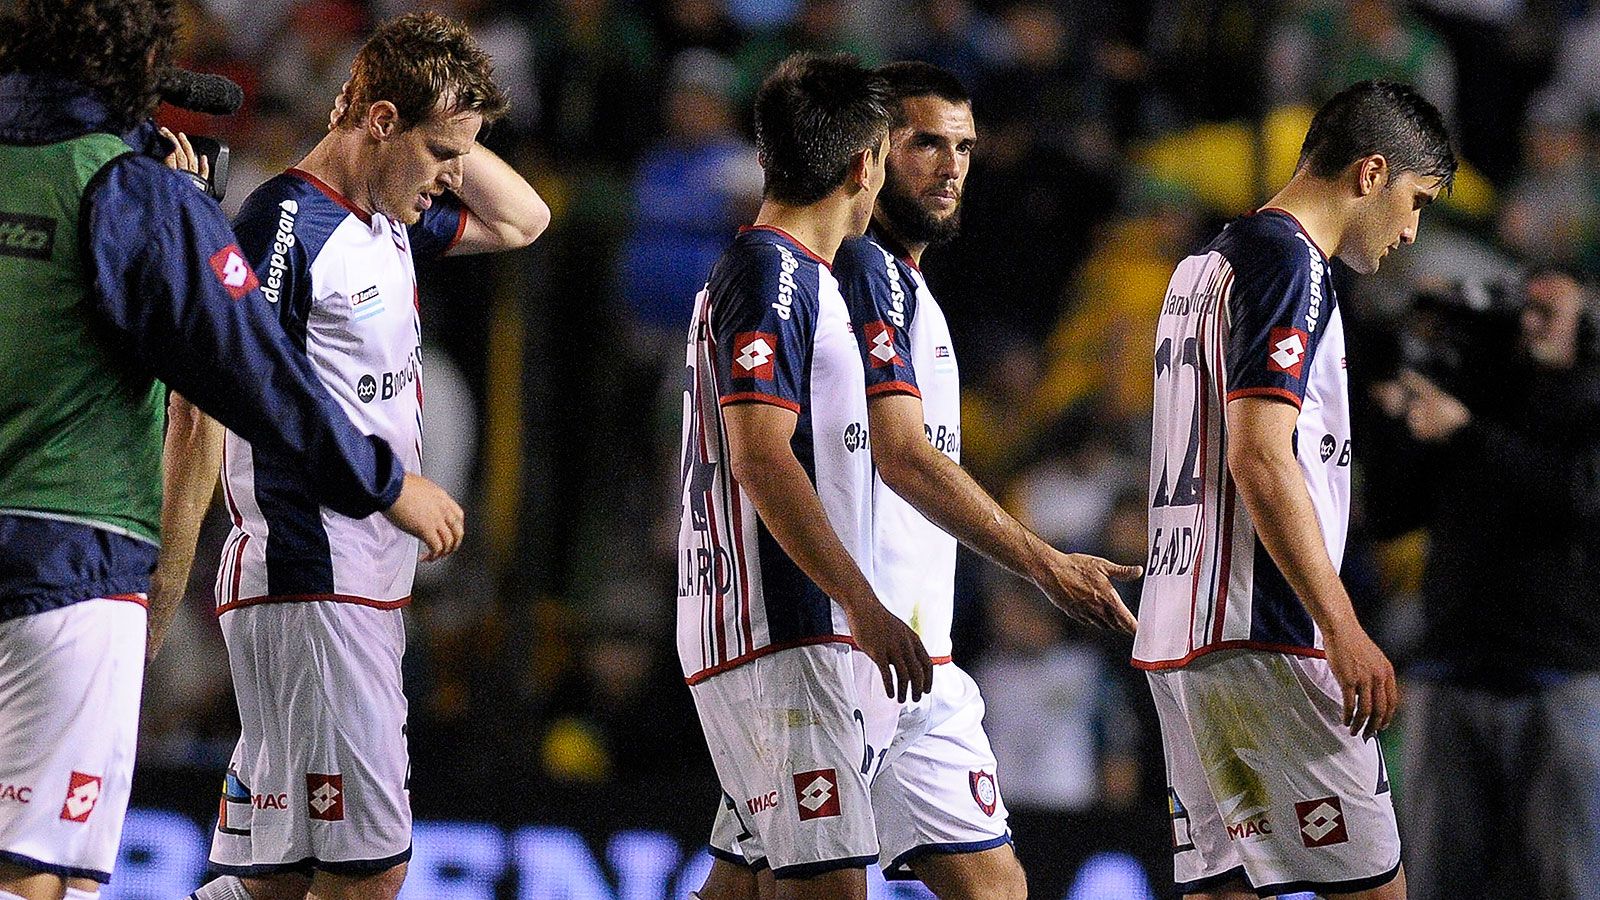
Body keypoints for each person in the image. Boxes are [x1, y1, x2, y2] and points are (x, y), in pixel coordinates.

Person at [0, 1, 464, 899]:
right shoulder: (130, 191)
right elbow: (252, 371)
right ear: (140, 61)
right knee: (39, 874)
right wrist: (384, 482)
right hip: (69, 560)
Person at [697, 60, 1140, 900]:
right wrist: (1044, 563)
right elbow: (896, 456)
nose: (950, 167)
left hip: (911, 660)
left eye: (964, 148)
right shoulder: (856, 273)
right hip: (845, 646)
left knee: (987, 890)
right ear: (869, 154)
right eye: (925, 143)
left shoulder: (903, 285)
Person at [188, 13, 549, 900]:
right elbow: (257, 387)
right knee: (370, 870)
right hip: (313, 578)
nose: (451, 176)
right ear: (382, 122)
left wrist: (449, 124)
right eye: (440, 152)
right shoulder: (285, 220)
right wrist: (390, 488)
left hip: (346, 588)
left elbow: (525, 219)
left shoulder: (387, 219)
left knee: (274, 881)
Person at [1133, 80, 1455, 900]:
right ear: (1371, 173)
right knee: (1375, 890)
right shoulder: (1290, 262)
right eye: (1417, 202)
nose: (1411, 232)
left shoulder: (1202, 265)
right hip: (1264, 630)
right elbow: (1261, 456)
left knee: (1223, 890)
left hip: (1182, 631)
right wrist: (1342, 626)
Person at [676, 52, 932, 900]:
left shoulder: (775, 271)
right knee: (830, 887)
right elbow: (759, 454)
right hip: (780, 627)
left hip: (757, 625)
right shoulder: (775, 273)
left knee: (744, 882)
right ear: (865, 165)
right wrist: (862, 603)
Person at [1366, 266, 1600, 900]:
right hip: (1453, 669)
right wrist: (1390, 418)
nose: (1531, 321)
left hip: (1559, 674)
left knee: (1569, 879)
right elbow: (1390, 515)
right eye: (1525, 308)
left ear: (1587, 325)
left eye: (1550, 310)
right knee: (1436, 879)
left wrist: (1467, 432)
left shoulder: (1588, 402)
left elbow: (1576, 499)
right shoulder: (1474, 391)